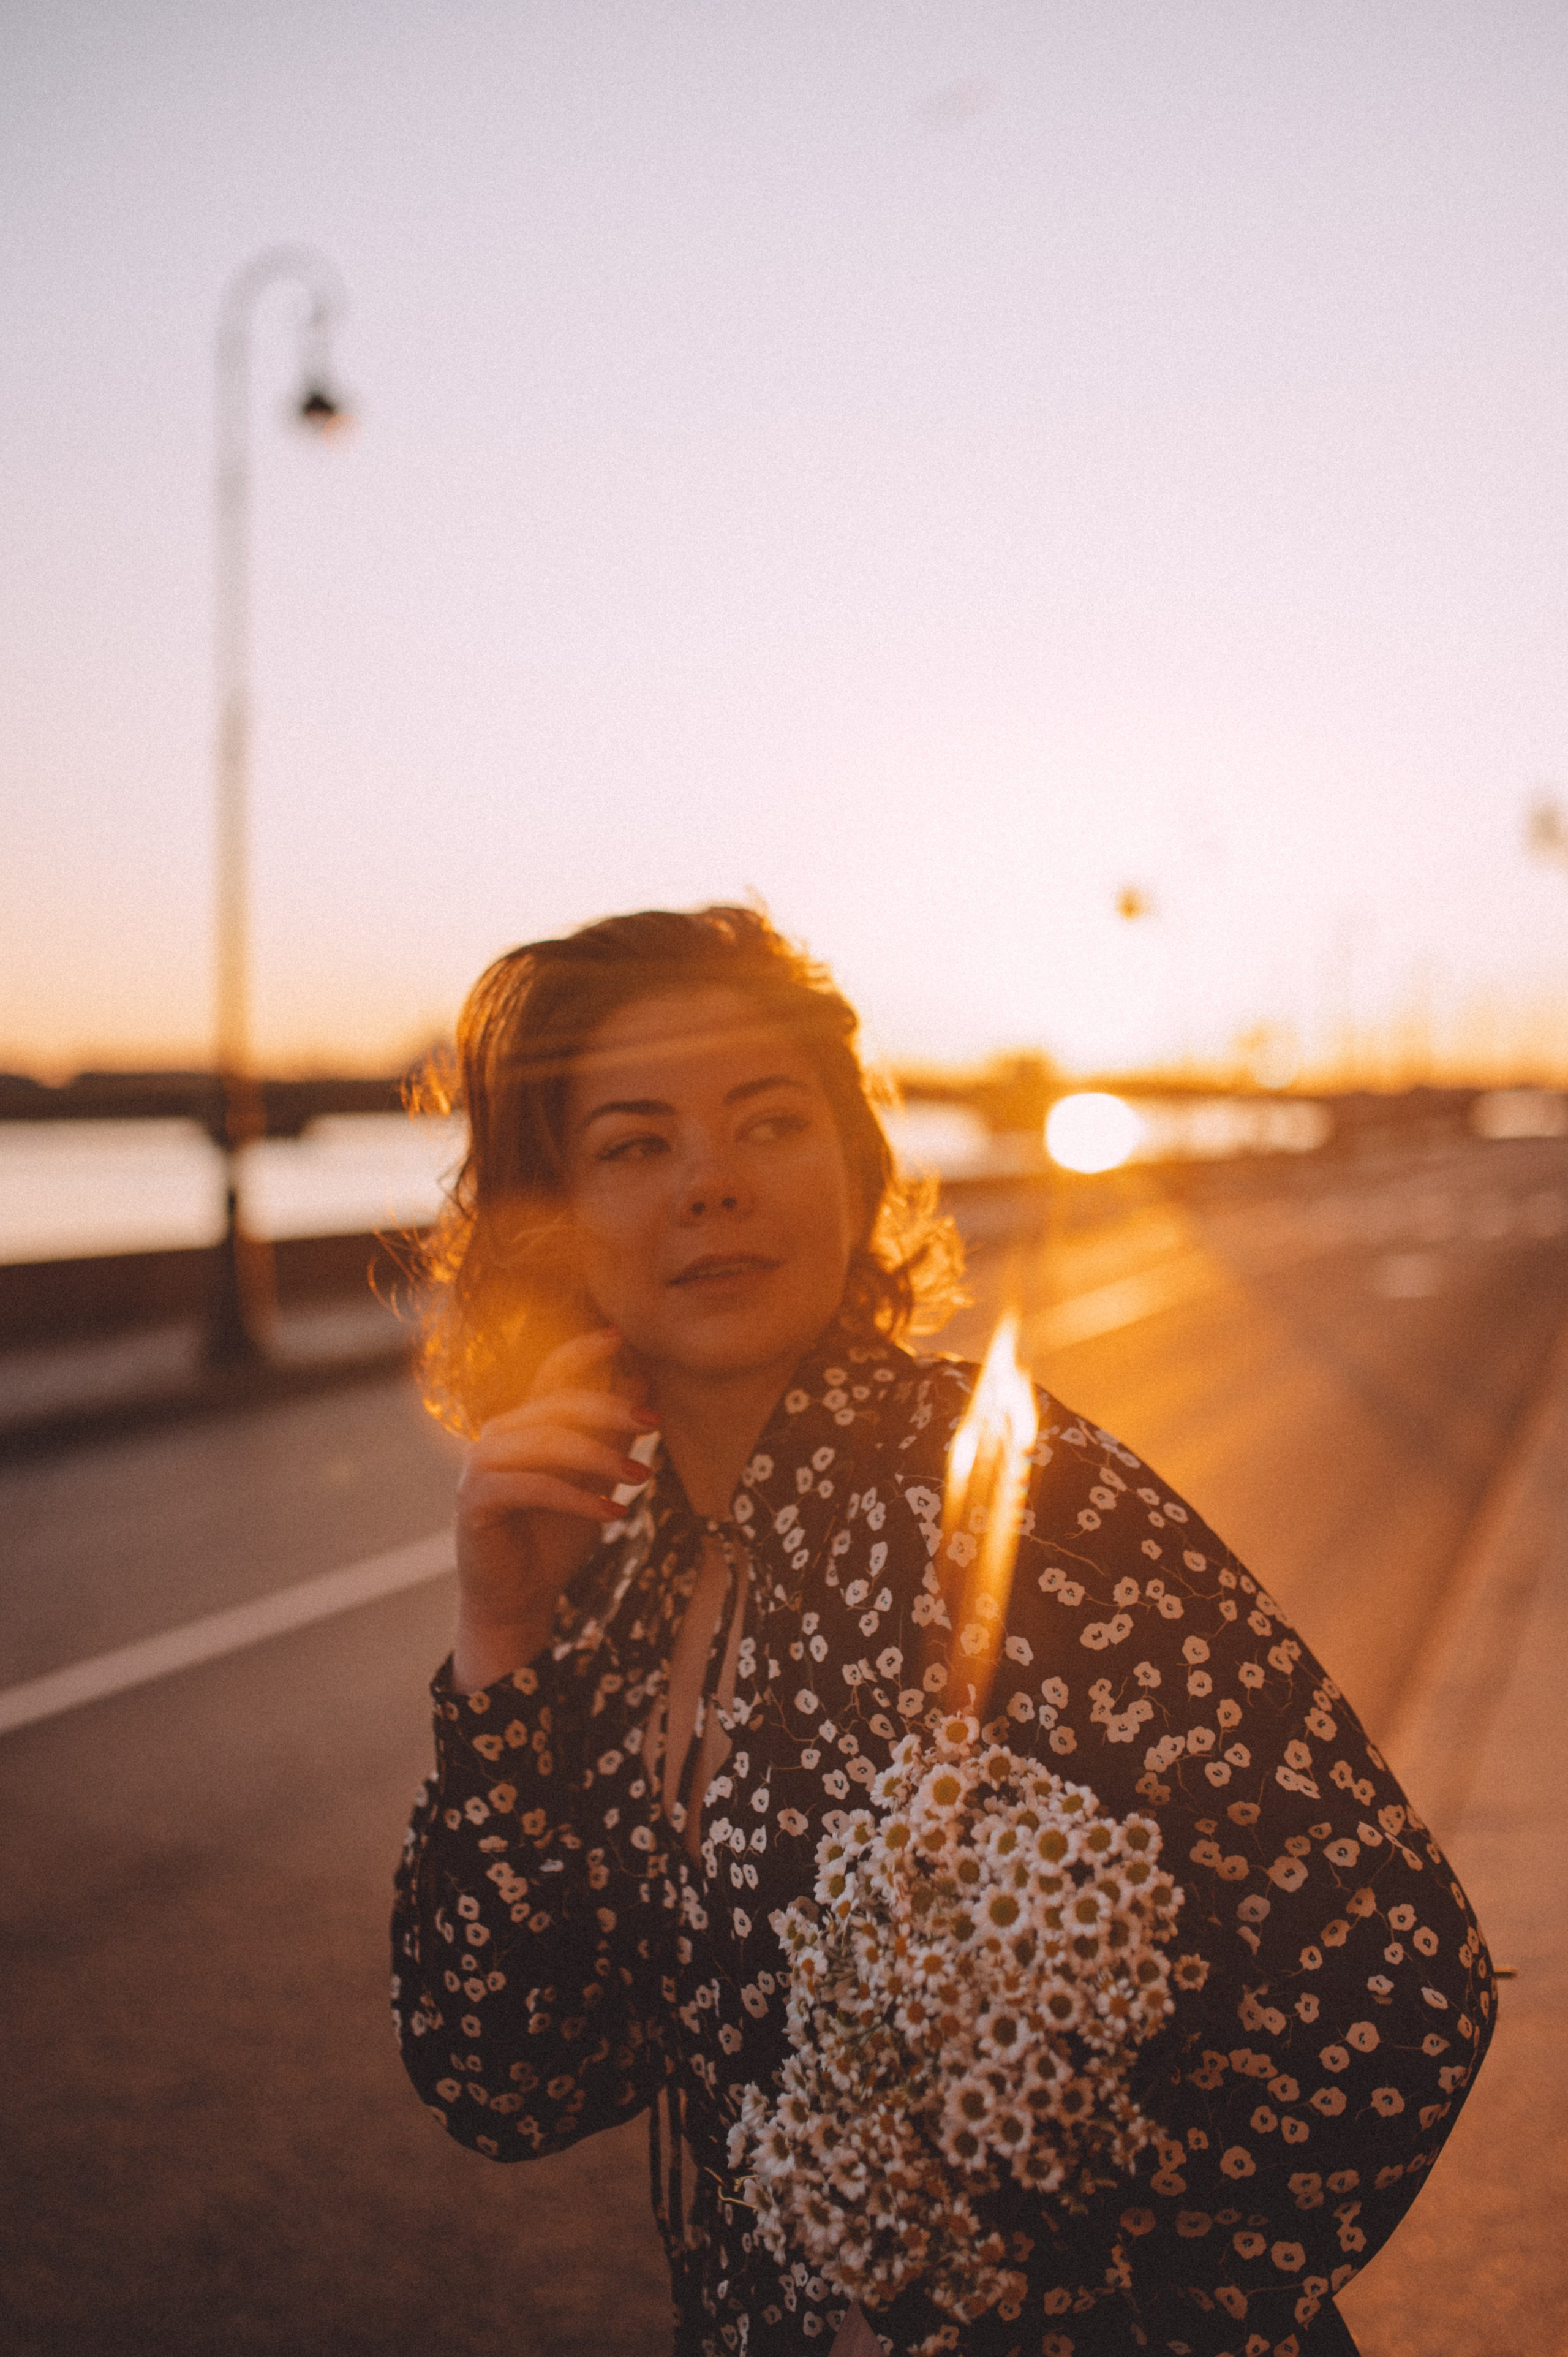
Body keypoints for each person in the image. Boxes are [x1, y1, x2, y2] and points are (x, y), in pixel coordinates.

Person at [392, 905, 1494, 2357]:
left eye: (768, 1122)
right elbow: (511, 2075)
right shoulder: (619, 1584)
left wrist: (1089, 2316)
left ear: (852, 1166)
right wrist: (502, 1632)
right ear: (552, 1223)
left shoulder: (1018, 1494)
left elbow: (1386, 1972)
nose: (714, 1183)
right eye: (635, 1143)